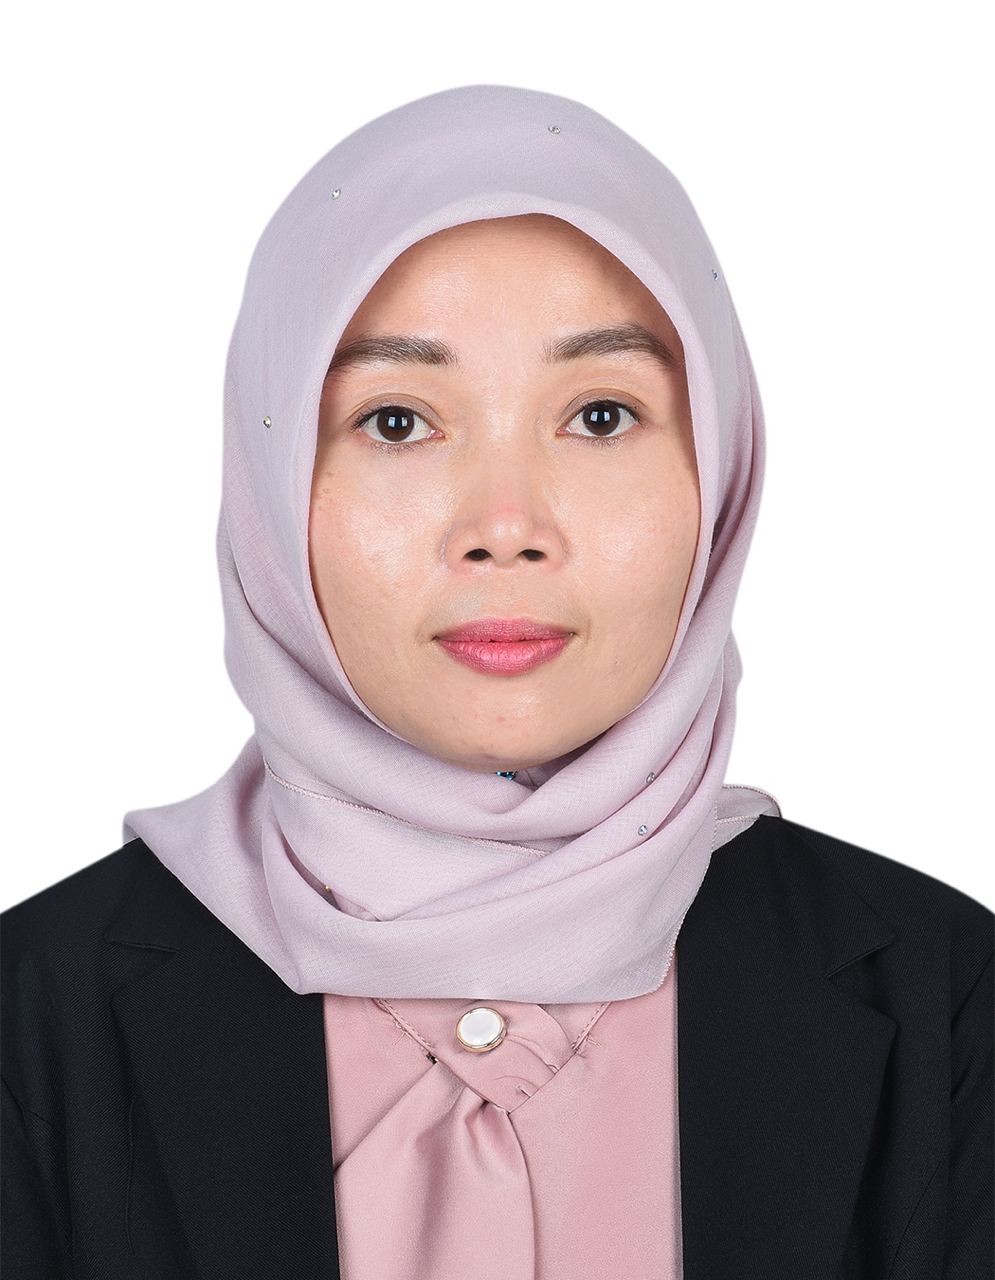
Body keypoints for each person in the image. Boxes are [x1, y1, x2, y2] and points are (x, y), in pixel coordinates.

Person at [2, 83, 991, 1280]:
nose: (506, 526)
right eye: (396, 422)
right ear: (269, 480)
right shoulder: (30, 1022)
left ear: (719, 472)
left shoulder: (950, 1002)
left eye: (601, 413)